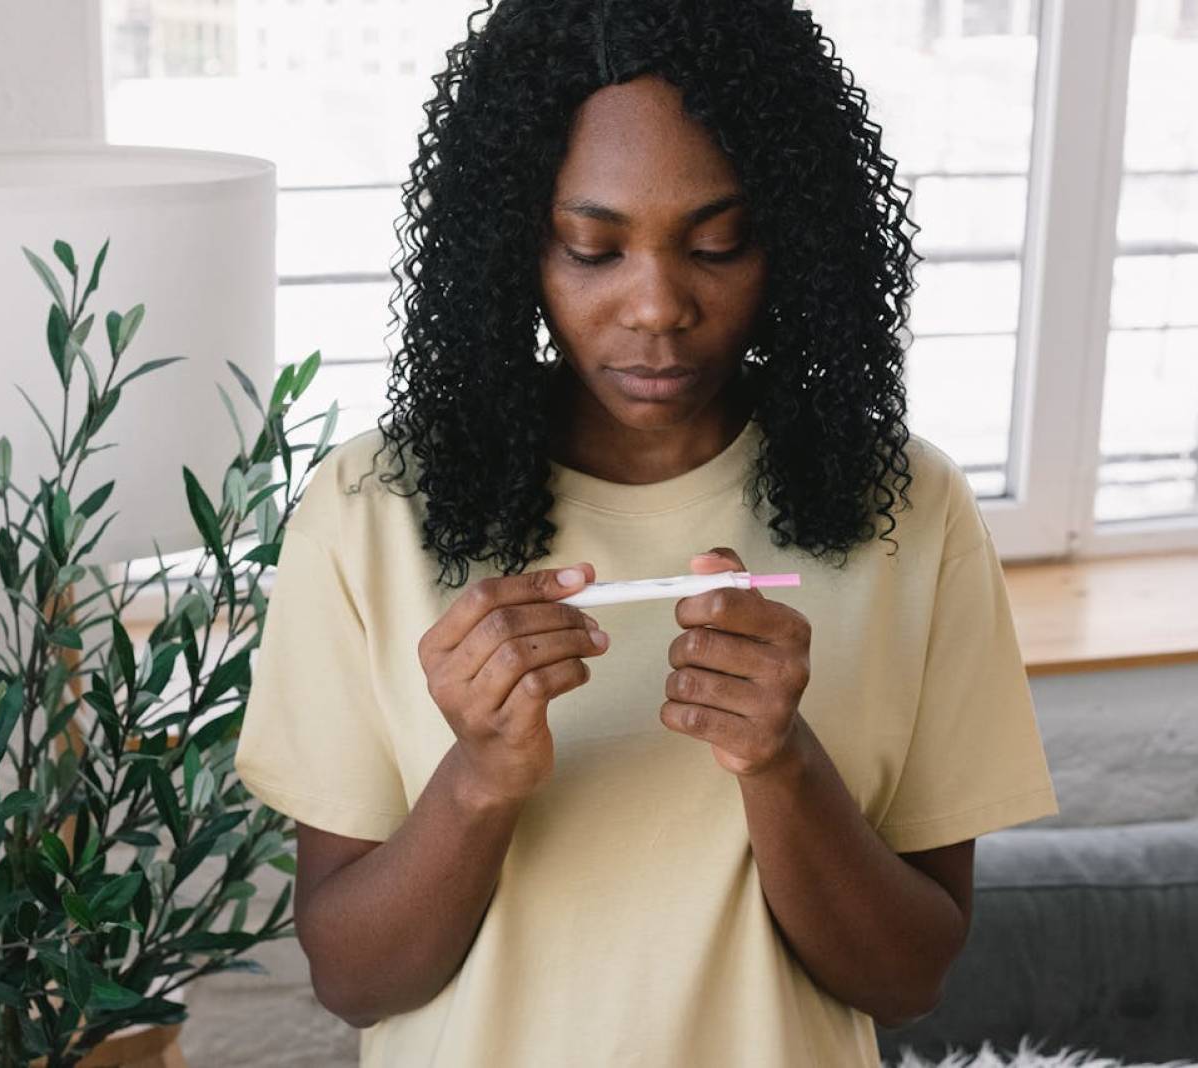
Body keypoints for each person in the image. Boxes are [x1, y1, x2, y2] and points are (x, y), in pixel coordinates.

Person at [234, 1, 1060, 1064]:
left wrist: (781, 764)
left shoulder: (907, 508)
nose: (658, 305)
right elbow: (354, 982)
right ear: (515, 246)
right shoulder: (371, 509)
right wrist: (478, 778)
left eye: (717, 244)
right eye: (593, 249)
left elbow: (906, 981)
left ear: (791, 237)